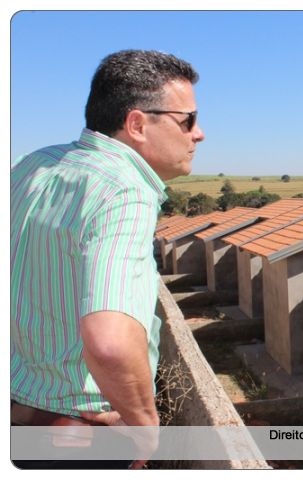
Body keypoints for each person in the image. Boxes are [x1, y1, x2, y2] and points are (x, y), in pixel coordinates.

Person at [10, 49, 205, 469]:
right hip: (77, 442)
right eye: (187, 119)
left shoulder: (31, 167)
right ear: (137, 124)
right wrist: (144, 424)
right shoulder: (124, 191)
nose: (199, 133)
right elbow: (111, 342)